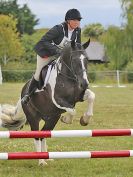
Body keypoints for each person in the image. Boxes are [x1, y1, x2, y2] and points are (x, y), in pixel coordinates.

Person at [22, 8, 82, 104]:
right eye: (75, 20)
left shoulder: (78, 31)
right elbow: (44, 41)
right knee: (38, 74)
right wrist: (58, 51)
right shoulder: (58, 29)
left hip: (62, 55)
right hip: (47, 54)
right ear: (68, 20)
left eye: (78, 20)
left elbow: (77, 46)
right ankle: (27, 95)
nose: (77, 22)